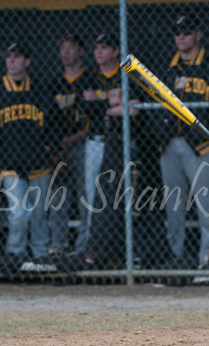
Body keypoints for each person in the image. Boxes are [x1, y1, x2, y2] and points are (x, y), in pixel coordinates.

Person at [158, 15, 209, 265]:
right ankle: (175, 257)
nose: (181, 36)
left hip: (201, 146)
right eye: (177, 32)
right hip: (170, 143)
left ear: (198, 34)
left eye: (186, 32)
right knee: (173, 207)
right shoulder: (167, 68)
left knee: (207, 205)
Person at [0, 42, 56, 263]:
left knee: (39, 217)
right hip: (10, 165)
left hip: (39, 163)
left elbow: (55, 126)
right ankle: (15, 257)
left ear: (27, 61)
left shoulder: (40, 91)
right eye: (8, 57)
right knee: (18, 215)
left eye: (16, 57)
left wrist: (49, 151)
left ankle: (40, 258)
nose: (11, 61)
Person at [79, 33, 139, 266]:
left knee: (120, 198)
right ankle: (88, 251)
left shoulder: (125, 74)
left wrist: (100, 104)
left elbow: (133, 110)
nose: (99, 52)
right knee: (91, 197)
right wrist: (113, 105)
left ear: (115, 51)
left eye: (104, 48)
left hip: (121, 145)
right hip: (95, 141)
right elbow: (85, 107)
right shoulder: (90, 76)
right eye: (96, 48)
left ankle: (116, 251)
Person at [48, 33, 93, 258]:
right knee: (58, 197)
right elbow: (49, 119)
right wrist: (57, 146)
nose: (65, 53)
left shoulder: (90, 79)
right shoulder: (55, 82)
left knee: (86, 197)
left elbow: (94, 118)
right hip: (61, 147)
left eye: (71, 48)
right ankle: (59, 244)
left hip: (85, 144)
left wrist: (77, 137)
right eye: (62, 48)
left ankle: (82, 247)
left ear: (81, 52)